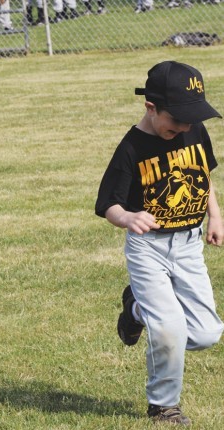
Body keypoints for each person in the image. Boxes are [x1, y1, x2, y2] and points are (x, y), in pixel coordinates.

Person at [95, 61, 224, 425]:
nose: (184, 127)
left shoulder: (193, 129)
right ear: (150, 107)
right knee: (168, 328)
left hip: (189, 244)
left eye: (190, 119)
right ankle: (163, 404)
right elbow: (108, 204)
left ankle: (135, 309)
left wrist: (215, 215)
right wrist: (128, 217)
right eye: (176, 120)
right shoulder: (131, 147)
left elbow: (203, 175)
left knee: (205, 333)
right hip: (148, 248)